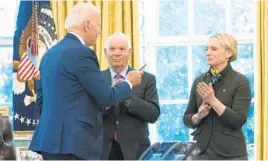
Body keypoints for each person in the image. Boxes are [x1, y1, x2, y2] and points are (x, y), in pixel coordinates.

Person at [29, 3, 142, 160]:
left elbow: (41, 99)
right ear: (88, 25)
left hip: (50, 141)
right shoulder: (82, 54)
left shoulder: (50, 54)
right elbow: (107, 97)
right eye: (98, 25)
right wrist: (128, 82)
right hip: (74, 143)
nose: (100, 31)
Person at [183, 33, 251, 160]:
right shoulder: (199, 80)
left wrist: (213, 101)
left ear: (229, 53)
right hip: (200, 153)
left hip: (231, 154)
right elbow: (187, 119)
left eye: (213, 49)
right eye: (207, 49)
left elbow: (238, 120)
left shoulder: (240, 81)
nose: (208, 53)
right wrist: (198, 116)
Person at [100, 33, 160, 160]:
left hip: (136, 151)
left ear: (130, 52)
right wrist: (111, 97)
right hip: (102, 151)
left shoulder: (146, 79)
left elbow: (153, 114)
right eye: (112, 49)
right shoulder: (96, 79)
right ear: (105, 53)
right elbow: (88, 113)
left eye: (122, 49)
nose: (117, 53)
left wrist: (124, 94)